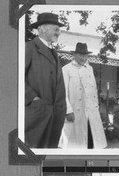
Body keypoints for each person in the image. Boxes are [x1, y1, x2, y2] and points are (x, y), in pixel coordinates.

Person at [25, 12, 66, 148]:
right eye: (56, 29)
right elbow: (15, 78)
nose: (59, 33)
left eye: (59, 30)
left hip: (55, 118)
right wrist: (33, 98)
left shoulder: (54, 53)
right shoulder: (29, 48)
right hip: (36, 117)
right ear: (42, 28)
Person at [59, 43, 107, 149]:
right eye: (80, 55)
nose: (83, 58)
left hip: (91, 112)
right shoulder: (66, 69)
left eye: (85, 55)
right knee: (75, 144)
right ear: (74, 55)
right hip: (75, 111)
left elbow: (94, 91)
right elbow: (63, 92)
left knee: (92, 142)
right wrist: (68, 111)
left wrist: (95, 108)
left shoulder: (89, 69)